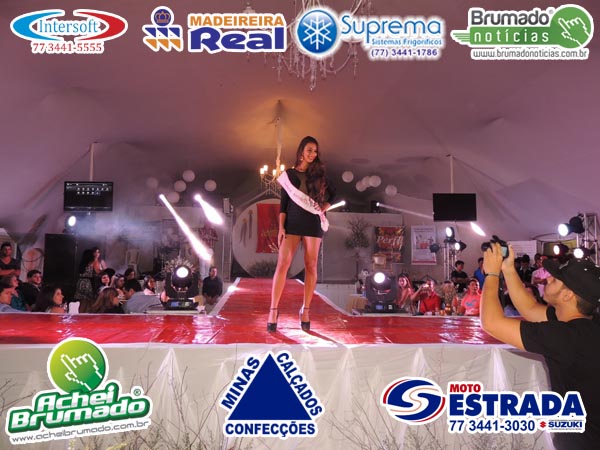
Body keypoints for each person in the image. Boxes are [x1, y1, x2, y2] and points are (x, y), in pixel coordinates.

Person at [481, 243, 600, 450]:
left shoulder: (566, 337)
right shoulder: (586, 324)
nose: (547, 279)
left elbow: (491, 322)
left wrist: (491, 274)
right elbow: (529, 308)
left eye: (555, 279)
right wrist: (508, 269)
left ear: (567, 295)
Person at [267, 136, 336, 332]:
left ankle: (305, 310)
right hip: (292, 223)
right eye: (309, 150)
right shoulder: (289, 174)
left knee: (311, 265)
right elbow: (283, 204)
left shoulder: (320, 175)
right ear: (301, 152)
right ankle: (273, 310)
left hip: (313, 223)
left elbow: (335, 193)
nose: (312, 154)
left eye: (315, 151)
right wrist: (281, 227)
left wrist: (324, 207)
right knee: (283, 264)